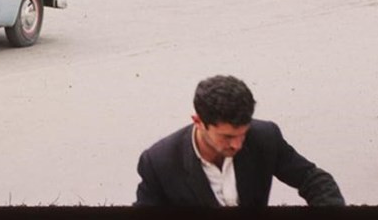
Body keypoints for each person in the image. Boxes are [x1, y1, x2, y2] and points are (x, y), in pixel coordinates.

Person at [134, 75, 344, 208]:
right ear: (198, 122)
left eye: (243, 133)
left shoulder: (264, 137)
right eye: (227, 136)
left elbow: (314, 180)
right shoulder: (159, 162)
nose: (237, 144)